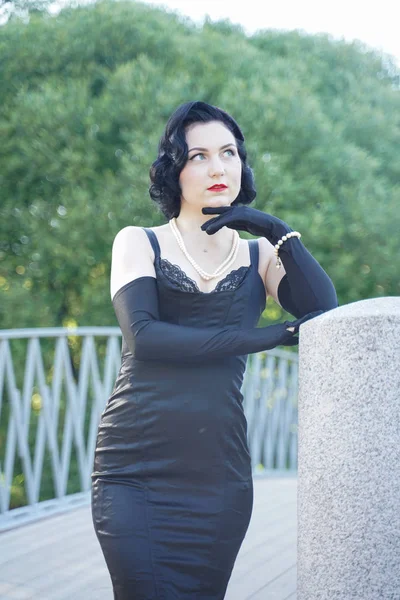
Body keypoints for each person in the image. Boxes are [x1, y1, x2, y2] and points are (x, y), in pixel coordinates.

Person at [91, 100, 338, 599]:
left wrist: (276, 230)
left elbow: (322, 310)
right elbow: (147, 337)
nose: (217, 166)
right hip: (135, 468)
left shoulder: (259, 253)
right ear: (173, 169)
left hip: (217, 476)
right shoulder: (139, 242)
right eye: (198, 155)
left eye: (228, 152)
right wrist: (273, 337)